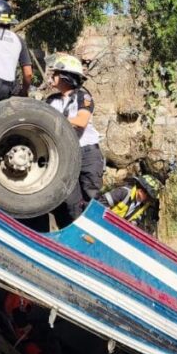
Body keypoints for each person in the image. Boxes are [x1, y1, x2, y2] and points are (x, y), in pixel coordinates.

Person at [45, 54, 103, 227]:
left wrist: (53, 117)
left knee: (91, 198)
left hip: (87, 154)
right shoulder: (51, 100)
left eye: (54, 74)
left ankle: (94, 235)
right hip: (65, 155)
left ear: (65, 76)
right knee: (69, 201)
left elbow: (81, 121)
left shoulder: (83, 97)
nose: (51, 78)